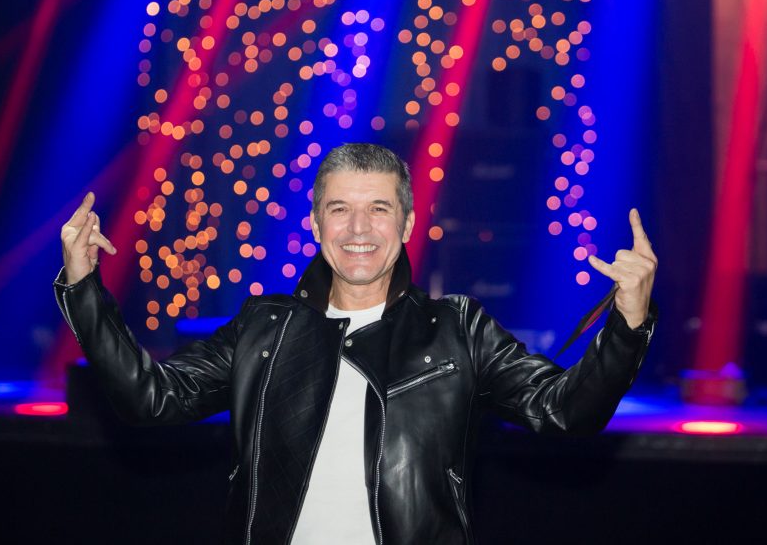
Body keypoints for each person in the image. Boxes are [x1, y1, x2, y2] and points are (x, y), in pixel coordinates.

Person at [55, 143, 657, 545]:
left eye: (379, 209)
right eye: (339, 209)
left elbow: (565, 411)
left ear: (408, 223)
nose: (359, 229)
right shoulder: (266, 327)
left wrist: (627, 323)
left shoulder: (457, 329)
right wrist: (83, 288)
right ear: (316, 224)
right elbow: (151, 399)